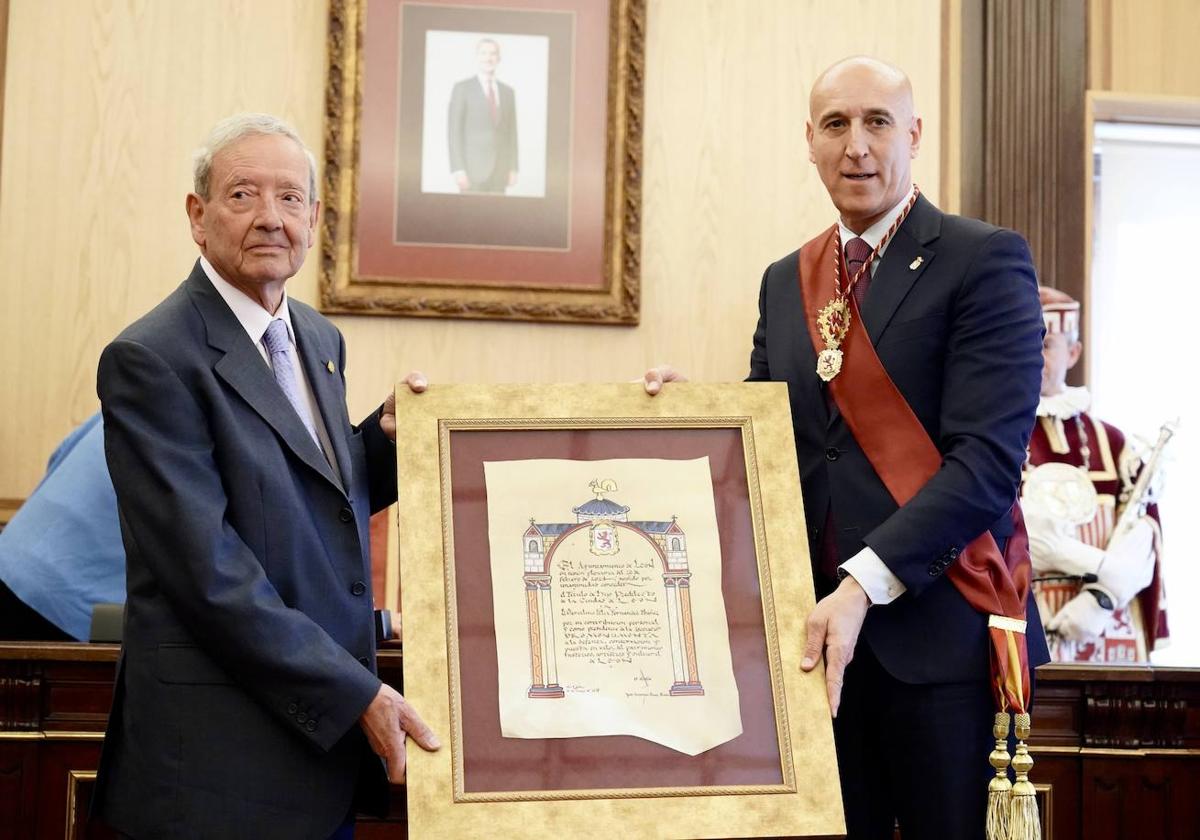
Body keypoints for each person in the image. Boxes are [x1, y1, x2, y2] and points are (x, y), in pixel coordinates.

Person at [645, 56, 1049, 839]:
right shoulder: (785, 279)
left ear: (915, 134)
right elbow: (775, 438)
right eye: (836, 125)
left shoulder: (983, 259)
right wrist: (695, 413)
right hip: (813, 651)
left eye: (877, 123)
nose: (857, 146)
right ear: (809, 141)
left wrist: (864, 585)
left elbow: (987, 466)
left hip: (942, 643)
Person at [92, 113, 439, 840]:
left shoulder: (317, 337)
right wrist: (357, 695)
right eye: (243, 195)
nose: (270, 219)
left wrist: (389, 440)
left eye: (290, 199)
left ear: (314, 219)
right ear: (198, 216)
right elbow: (210, 574)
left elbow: (315, 498)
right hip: (216, 769)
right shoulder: (151, 359)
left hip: (314, 759)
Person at [1022, 286, 1168, 663]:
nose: (1031, 355)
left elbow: (1144, 532)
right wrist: (1108, 569)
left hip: (1108, 627)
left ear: (1073, 352)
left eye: (1045, 344)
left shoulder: (1113, 441)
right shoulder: (992, 437)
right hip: (1026, 622)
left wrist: (1099, 601)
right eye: (1021, 341)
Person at [0, 413, 123, 641]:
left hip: (12, 558)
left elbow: (59, 454)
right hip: (63, 601)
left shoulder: (126, 392)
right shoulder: (198, 413)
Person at [448, 37, 518, 194]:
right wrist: (458, 169)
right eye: (484, 53)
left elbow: (512, 133)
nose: (488, 58)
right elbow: (454, 132)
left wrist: (513, 167)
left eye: (493, 54)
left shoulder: (508, 92)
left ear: (499, 59)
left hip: (500, 171)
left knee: (497, 216)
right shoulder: (462, 88)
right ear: (477, 57)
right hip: (472, 171)